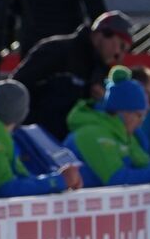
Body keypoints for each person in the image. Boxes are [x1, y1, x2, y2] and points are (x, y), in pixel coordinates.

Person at [13, 10, 133, 142]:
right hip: (37, 141)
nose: (120, 56)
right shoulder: (57, 51)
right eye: (121, 46)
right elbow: (16, 88)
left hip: (70, 146)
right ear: (103, 34)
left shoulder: (102, 71)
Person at [65, 72, 150, 187]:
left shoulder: (125, 135)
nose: (141, 121)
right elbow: (116, 179)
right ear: (122, 112)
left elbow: (145, 166)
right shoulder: (91, 134)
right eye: (139, 115)